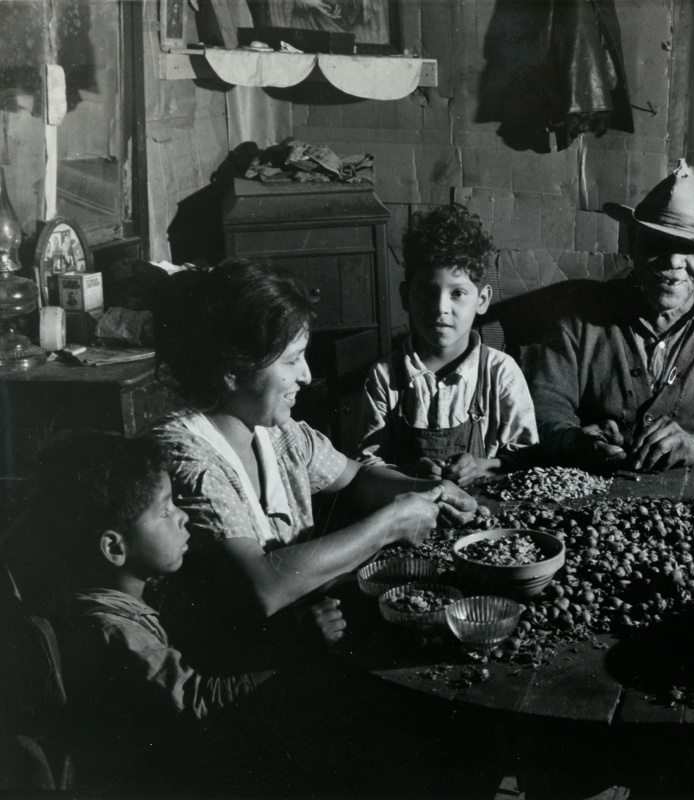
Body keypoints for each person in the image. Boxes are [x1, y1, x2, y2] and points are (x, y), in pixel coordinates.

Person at [147, 261, 477, 670]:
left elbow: (355, 477)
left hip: (297, 638)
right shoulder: (185, 455)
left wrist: (428, 492)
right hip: (228, 670)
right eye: (291, 361)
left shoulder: (276, 430)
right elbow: (263, 586)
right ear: (232, 371)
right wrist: (390, 523)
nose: (306, 376)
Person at [41, 433, 275, 792]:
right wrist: (297, 653)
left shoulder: (90, 596)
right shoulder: (112, 629)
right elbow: (197, 702)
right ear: (114, 547)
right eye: (165, 510)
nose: (182, 517)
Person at [527, 160, 694, 471]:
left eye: (691, 249)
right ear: (632, 243)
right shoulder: (579, 313)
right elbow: (543, 408)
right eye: (657, 244)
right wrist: (575, 441)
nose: (673, 262)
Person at [356, 204, 537, 485]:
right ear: (405, 296)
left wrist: (482, 466)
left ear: (482, 300)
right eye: (426, 292)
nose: (440, 307)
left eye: (458, 293)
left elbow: (528, 459)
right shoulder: (384, 376)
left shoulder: (501, 372)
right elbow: (365, 464)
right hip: (409, 515)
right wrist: (409, 475)